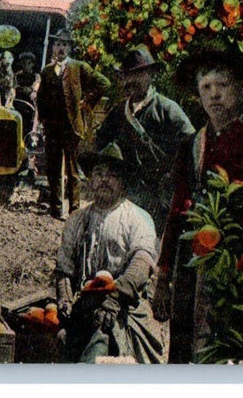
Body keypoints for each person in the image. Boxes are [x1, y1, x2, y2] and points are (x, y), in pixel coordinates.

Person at [153, 47, 243, 364]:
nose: (214, 96)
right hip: (190, 256)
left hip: (233, 258)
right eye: (206, 88)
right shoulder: (194, 143)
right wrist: (163, 278)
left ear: (239, 89)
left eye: (221, 86)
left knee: (219, 344)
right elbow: (176, 211)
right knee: (184, 342)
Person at [53, 142, 164, 364]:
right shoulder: (77, 219)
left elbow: (142, 264)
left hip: (124, 309)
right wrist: (64, 298)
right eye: (99, 173)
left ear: (123, 182)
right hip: (82, 308)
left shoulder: (138, 218)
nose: (104, 180)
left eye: (112, 175)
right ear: (91, 180)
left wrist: (114, 299)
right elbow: (64, 268)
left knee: (105, 356)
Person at [94, 46, 195, 231]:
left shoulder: (167, 109)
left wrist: (173, 175)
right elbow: (100, 141)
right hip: (126, 194)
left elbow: (191, 143)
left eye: (138, 74)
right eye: (126, 75)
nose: (131, 80)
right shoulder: (118, 112)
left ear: (150, 75)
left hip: (157, 196)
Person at [37, 29, 110, 220]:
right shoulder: (46, 71)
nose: (61, 48)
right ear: (53, 47)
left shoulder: (79, 67)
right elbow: (41, 98)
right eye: (58, 44)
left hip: (71, 128)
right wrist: (42, 120)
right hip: (52, 128)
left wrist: (87, 101)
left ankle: (74, 210)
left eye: (64, 44)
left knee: (72, 170)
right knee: (53, 169)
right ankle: (55, 209)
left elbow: (103, 83)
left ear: (70, 48)